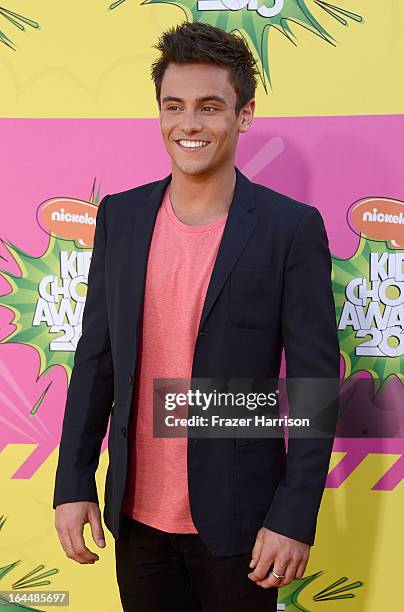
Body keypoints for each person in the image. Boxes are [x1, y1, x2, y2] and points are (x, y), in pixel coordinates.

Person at [53, 21, 340, 612]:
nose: (190, 124)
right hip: (135, 518)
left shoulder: (290, 228)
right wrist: (73, 482)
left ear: (245, 114)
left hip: (245, 525)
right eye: (174, 106)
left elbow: (313, 384)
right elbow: (96, 359)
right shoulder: (122, 217)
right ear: (159, 112)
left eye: (211, 107)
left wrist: (294, 513)